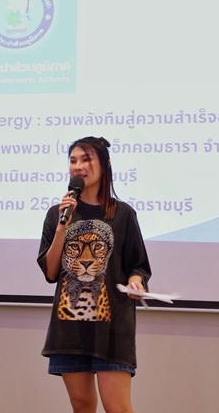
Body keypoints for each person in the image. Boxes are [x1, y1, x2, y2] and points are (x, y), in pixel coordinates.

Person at [37, 136, 151, 413]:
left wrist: (136, 281)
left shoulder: (123, 214)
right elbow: (51, 272)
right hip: (70, 327)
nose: (78, 166)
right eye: (73, 161)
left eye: (86, 159)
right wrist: (63, 226)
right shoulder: (57, 214)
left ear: (105, 165)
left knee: (118, 407)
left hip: (113, 327)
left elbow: (138, 266)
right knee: (82, 406)